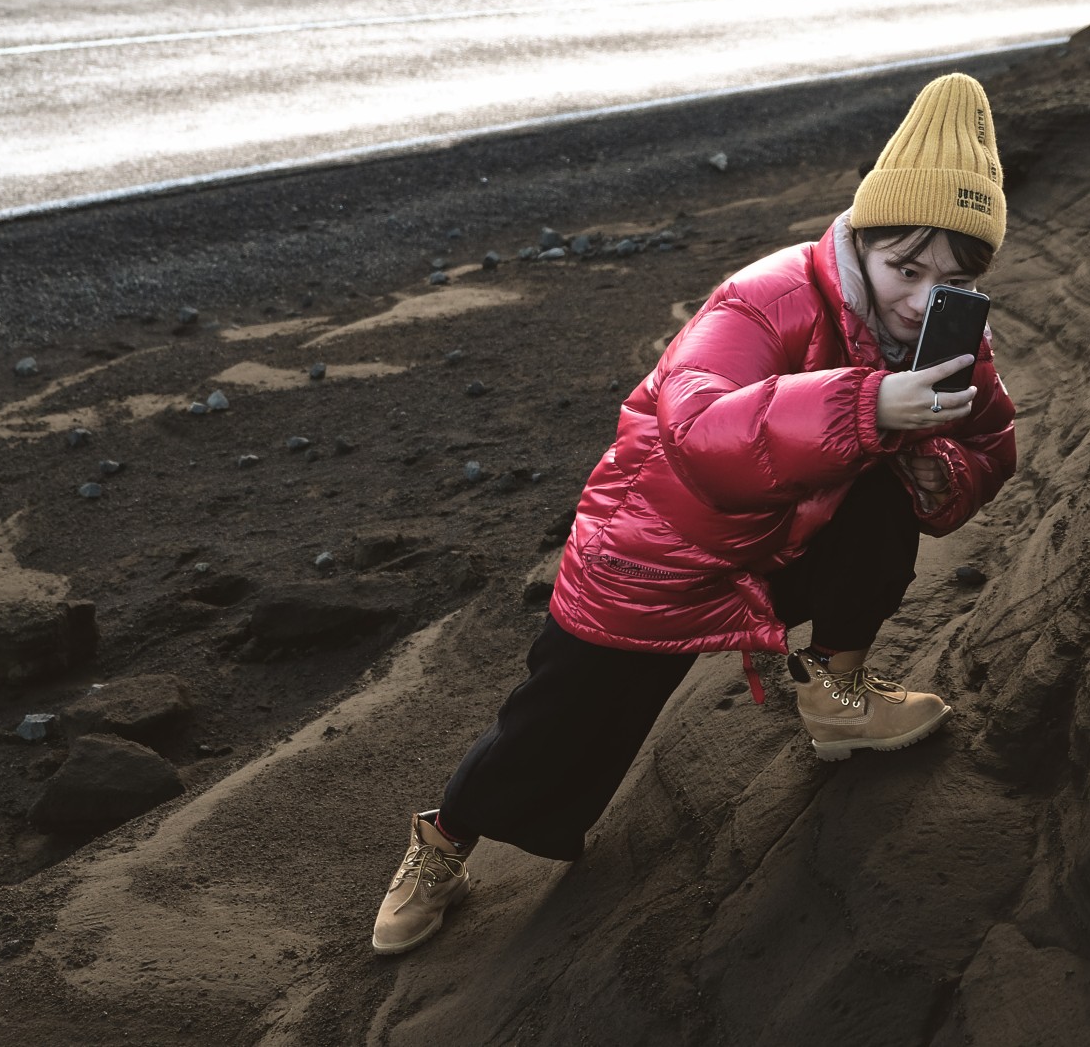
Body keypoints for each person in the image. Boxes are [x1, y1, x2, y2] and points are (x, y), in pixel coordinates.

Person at [371, 73, 1019, 955]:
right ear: (859, 242)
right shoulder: (767, 295)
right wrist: (869, 406)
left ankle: (835, 692)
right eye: (904, 267)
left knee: (883, 497)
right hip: (655, 554)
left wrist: (940, 466)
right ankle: (442, 843)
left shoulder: (950, 339)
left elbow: (992, 436)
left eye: (949, 279)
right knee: (555, 727)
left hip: (775, 549)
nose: (920, 298)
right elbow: (699, 427)